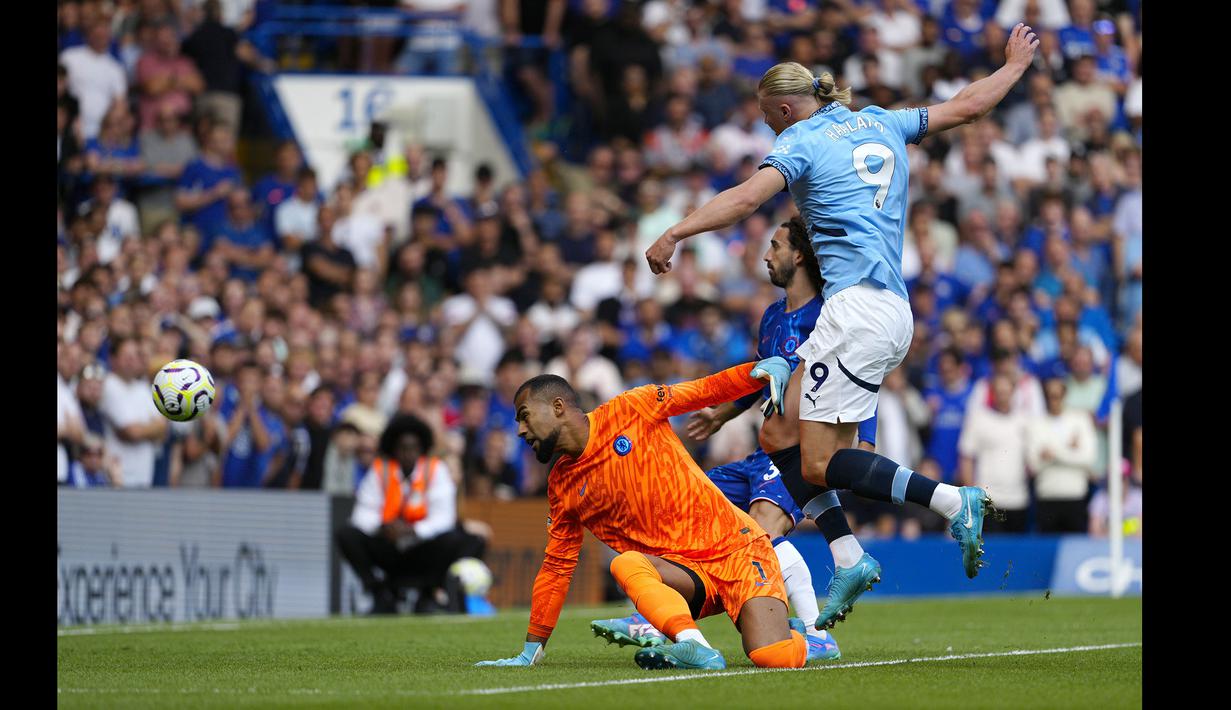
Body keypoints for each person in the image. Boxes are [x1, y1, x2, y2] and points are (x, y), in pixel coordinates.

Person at [644, 25, 1041, 626]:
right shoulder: (881, 119)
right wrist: (1014, 66)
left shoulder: (800, 141)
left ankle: (951, 501)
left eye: (768, 119)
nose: (772, 131)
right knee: (782, 439)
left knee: (821, 461)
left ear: (783, 107)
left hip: (857, 311)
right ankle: (849, 556)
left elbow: (748, 200)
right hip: (882, 310)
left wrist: (676, 231)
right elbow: (968, 106)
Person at [591, 218, 875, 660]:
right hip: (763, 450)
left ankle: (816, 631)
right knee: (687, 510)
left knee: (761, 527)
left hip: (802, 450)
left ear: (798, 255)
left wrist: (866, 444)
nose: (766, 255)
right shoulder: (772, 316)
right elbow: (764, 378)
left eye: (775, 246)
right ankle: (657, 615)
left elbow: (861, 377)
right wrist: (724, 414)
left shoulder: (828, 315)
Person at [477, 355, 811, 671]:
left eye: (524, 415)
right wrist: (530, 650)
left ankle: (796, 633)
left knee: (774, 655)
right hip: (682, 576)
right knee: (625, 563)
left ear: (558, 407)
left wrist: (758, 370)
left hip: (735, 549)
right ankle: (693, 645)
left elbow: (702, 390)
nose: (520, 430)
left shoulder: (631, 409)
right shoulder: (562, 485)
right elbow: (556, 567)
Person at [335, 413, 487, 614]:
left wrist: (413, 530)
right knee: (346, 534)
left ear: (422, 448)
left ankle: (431, 593)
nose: (408, 454)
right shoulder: (380, 471)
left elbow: (443, 518)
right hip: (388, 546)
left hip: (423, 548)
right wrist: (383, 527)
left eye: (413, 448)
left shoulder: (435, 470)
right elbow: (362, 513)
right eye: (402, 448)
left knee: (470, 541)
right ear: (394, 449)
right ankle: (378, 593)